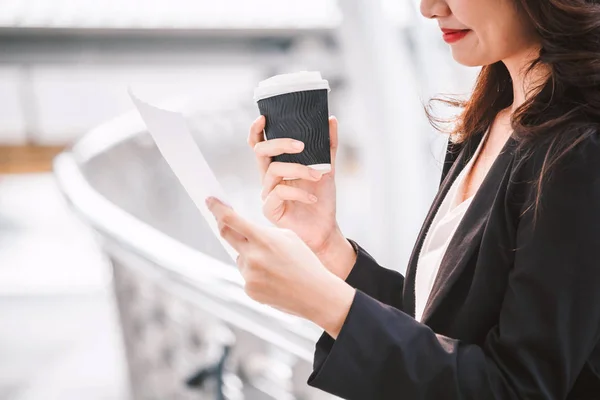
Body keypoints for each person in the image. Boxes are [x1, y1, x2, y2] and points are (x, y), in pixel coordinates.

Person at [206, 0, 600, 398]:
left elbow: (516, 390)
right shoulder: (486, 126)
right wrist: (329, 249)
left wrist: (325, 302)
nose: (429, 8)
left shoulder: (579, 153)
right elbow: (440, 327)